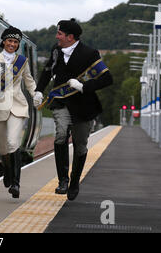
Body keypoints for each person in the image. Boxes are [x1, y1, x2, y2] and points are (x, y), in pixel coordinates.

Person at [33, 19, 113, 201]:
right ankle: (63, 180)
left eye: (59, 33)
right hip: (61, 103)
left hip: (83, 106)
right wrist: (39, 90)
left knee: (80, 145)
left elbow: (107, 79)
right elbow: (47, 72)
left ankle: (75, 181)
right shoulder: (56, 50)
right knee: (61, 135)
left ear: (70, 37)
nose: (57, 36)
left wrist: (84, 86)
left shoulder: (90, 53)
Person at [0, 26, 37, 198]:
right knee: (3, 147)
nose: (12, 44)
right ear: (4, 42)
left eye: (15, 42)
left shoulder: (22, 62)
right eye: (10, 41)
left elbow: (29, 82)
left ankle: (16, 184)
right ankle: (7, 170)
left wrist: (36, 94)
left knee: (14, 143)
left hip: (17, 106)